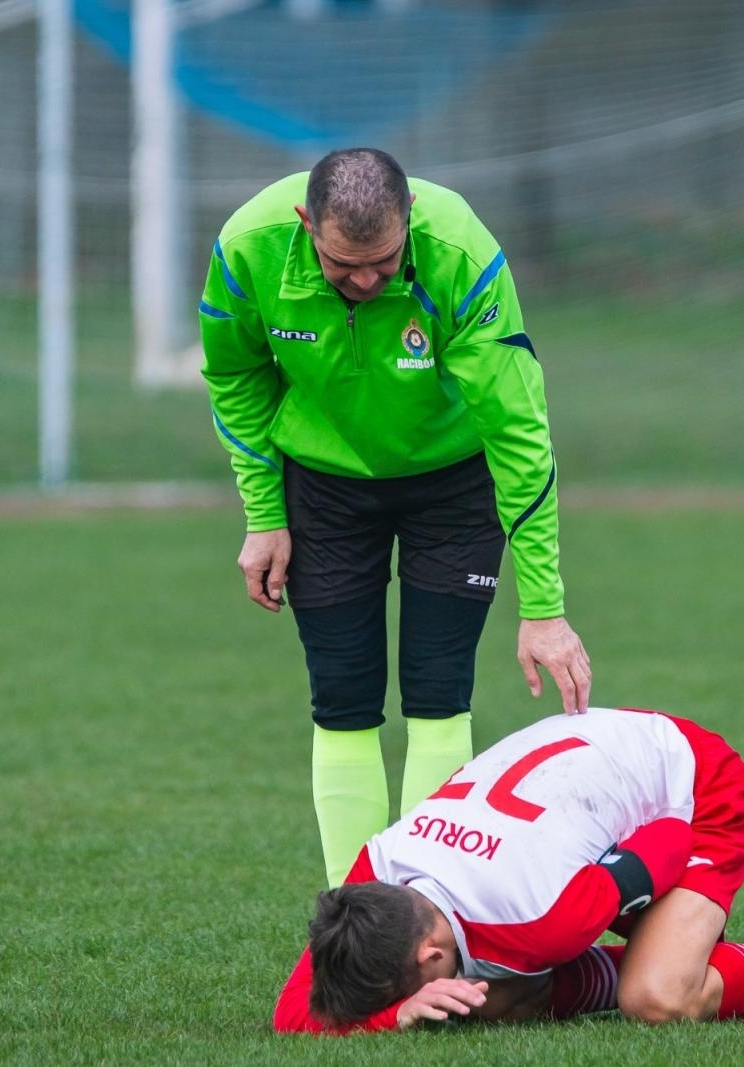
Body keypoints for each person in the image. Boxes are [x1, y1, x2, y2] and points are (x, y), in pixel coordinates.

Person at [200, 148, 592, 888]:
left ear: (409, 221)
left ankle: (425, 913)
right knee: (341, 694)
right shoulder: (247, 249)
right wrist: (264, 511)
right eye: (343, 264)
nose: (366, 281)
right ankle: (356, 925)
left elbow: (518, 430)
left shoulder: (461, 255)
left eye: (383, 261)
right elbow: (234, 373)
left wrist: (544, 608)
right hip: (323, 482)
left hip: (453, 480)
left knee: (439, 688)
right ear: (304, 224)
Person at [271, 706, 744, 1032]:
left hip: (694, 787)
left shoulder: (540, 913)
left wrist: (661, 935)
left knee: (658, 996)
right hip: (582, 776)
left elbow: (666, 841)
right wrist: (395, 1011)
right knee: (480, 1000)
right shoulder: (371, 884)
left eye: (415, 985)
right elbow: (294, 1014)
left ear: (430, 955)